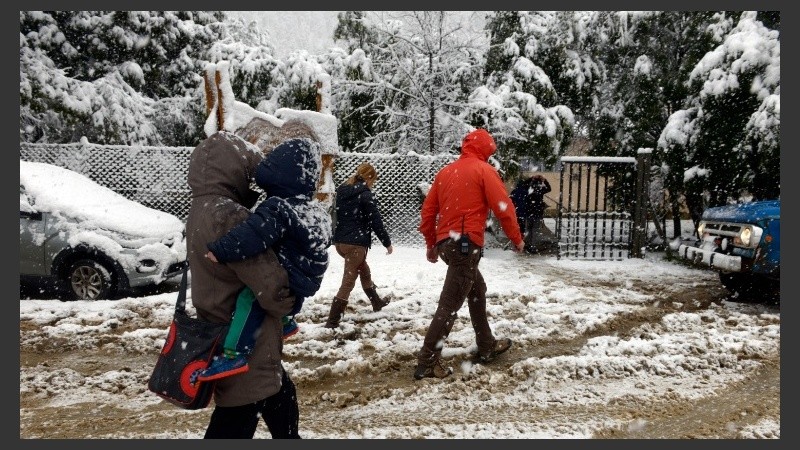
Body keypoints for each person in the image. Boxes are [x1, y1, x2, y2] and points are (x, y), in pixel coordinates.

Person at [185, 121, 316, 439]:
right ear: (234, 171)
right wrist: (291, 301)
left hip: (221, 326)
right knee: (237, 418)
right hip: (246, 337)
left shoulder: (200, 209)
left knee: (282, 397)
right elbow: (268, 283)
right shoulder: (229, 215)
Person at [195, 135, 332, 383]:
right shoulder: (316, 211)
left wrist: (222, 250)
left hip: (291, 272)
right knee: (291, 286)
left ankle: (234, 352)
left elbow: (253, 236)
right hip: (309, 276)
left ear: (278, 175)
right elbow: (320, 242)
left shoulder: (279, 208)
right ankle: (288, 319)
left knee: (249, 298)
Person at [414, 128, 525, 380]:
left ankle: (486, 345)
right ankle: (427, 360)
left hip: (448, 245)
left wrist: (432, 244)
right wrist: (516, 238)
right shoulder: (484, 170)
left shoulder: (445, 172)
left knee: (476, 290)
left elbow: (428, 213)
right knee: (449, 304)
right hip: (465, 245)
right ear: (485, 150)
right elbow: (503, 208)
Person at [323, 162, 394, 328]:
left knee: (364, 270)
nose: (373, 184)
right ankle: (332, 321)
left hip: (340, 242)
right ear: (369, 178)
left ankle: (376, 302)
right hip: (355, 244)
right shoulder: (365, 195)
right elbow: (375, 221)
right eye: (373, 180)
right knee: (348, 282)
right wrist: (387, 243)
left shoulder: (342, 190)